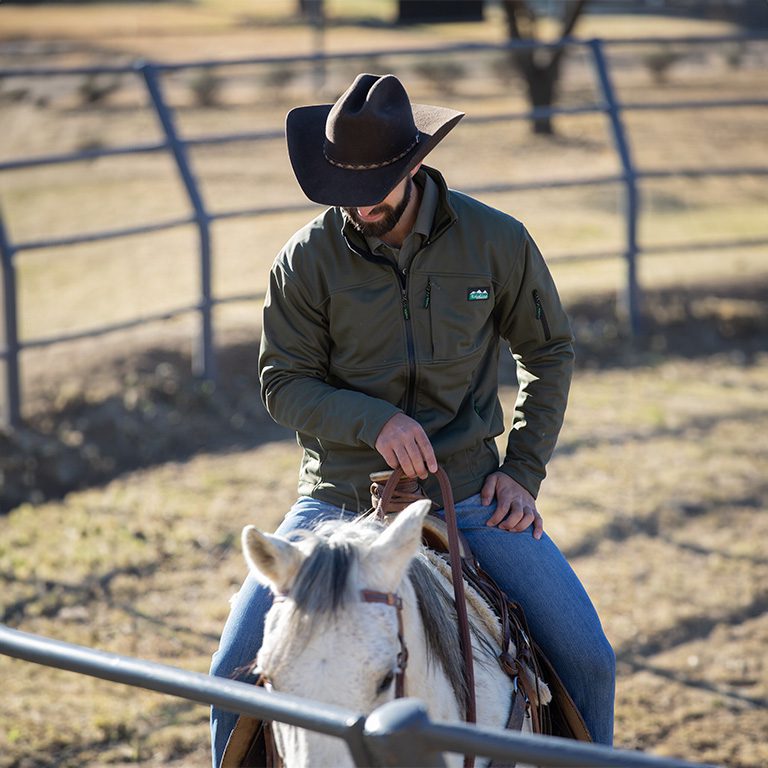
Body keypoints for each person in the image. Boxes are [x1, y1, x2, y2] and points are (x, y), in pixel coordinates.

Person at [209, 72, 615, 764]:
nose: (357, 206)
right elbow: (282, 382)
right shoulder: (305, 259)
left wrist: (522, 473)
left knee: (587, 655)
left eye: (372, 190)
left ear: (415, 165)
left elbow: (549, 352)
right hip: (336, 498)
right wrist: (375, 422)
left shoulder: (496, 241)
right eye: (341, 190)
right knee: (230, 675)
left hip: (469, 494)